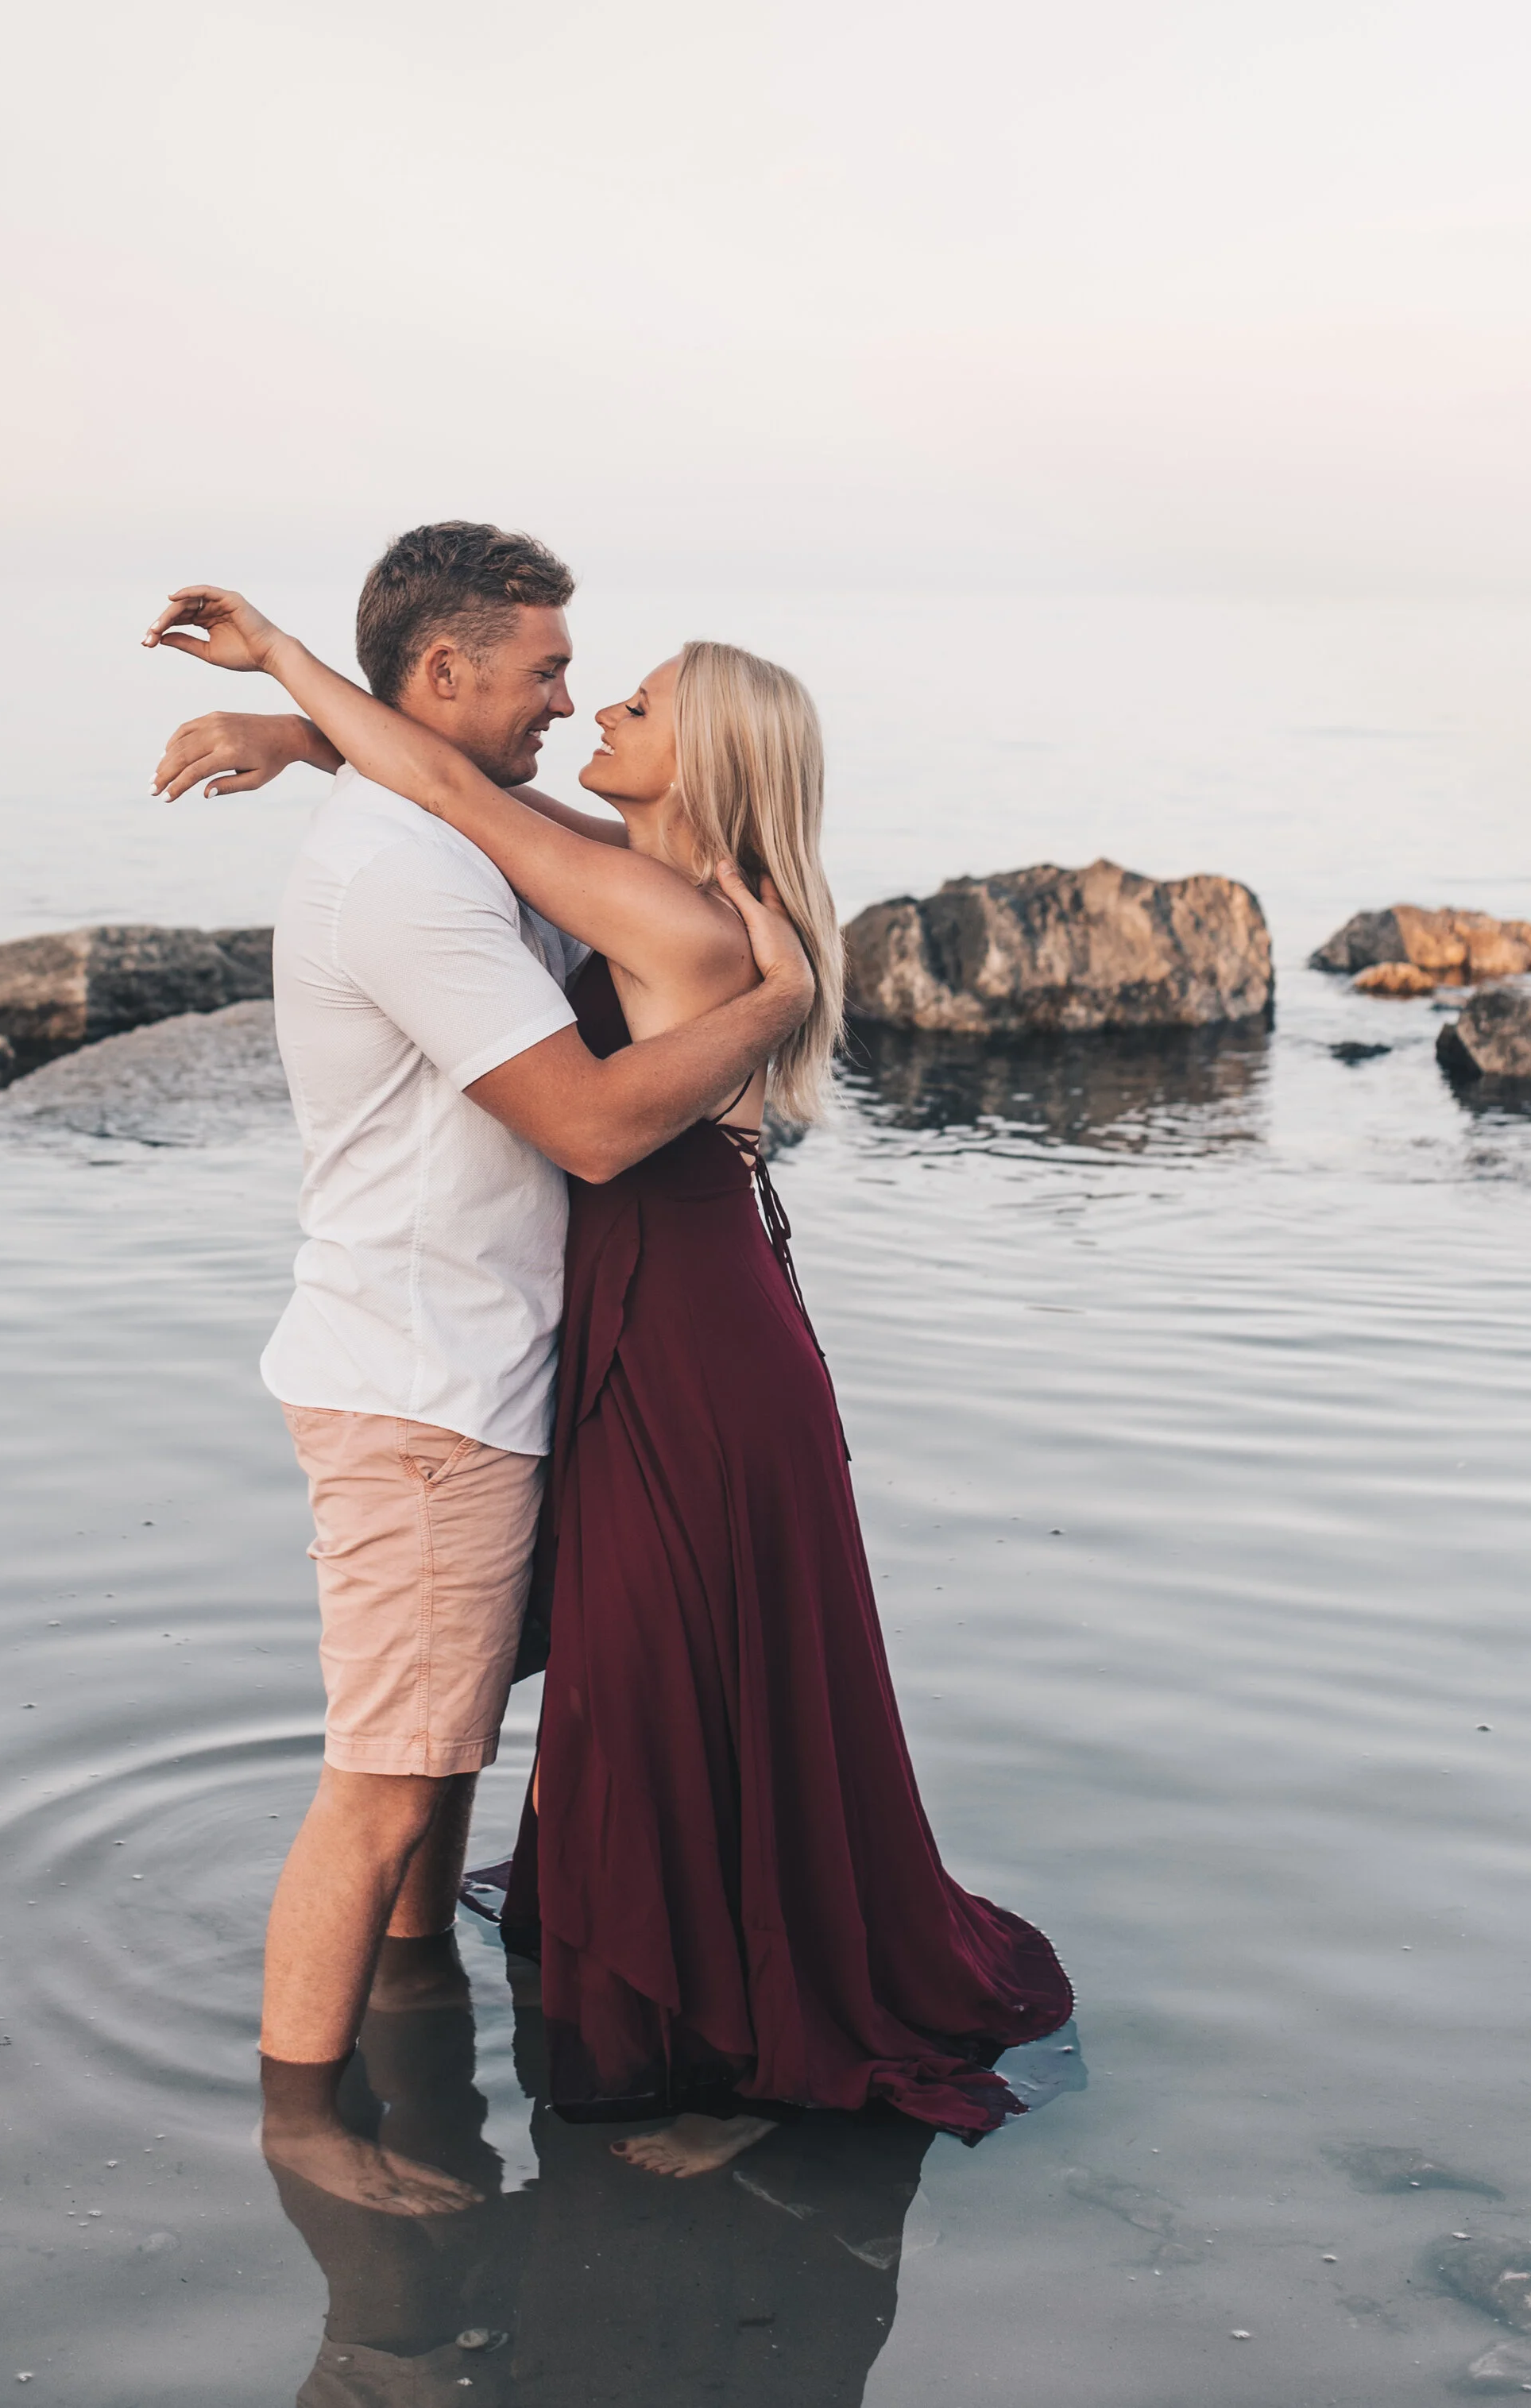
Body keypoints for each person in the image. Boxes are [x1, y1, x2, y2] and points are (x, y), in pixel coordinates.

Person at [147, 553, 1073, 2181]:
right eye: (578, 678)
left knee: (683, 1677)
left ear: (701, 762)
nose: (592, 705)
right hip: (668, 1308)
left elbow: (448, 785)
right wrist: (305, 736)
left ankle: (719, 2054)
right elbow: (446, 786)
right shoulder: (657, 878)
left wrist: (285, 659)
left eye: (632, 701)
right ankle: (670, 2004)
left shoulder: (659, 906)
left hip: (688, 1327)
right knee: (677, 1671)